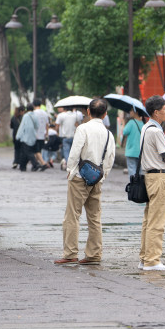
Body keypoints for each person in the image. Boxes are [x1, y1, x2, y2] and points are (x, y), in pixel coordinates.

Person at [54, 98, 116, 266]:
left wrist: (70, 171)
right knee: (95, 217)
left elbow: (74, 153)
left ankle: (70, 253)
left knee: (72, 215)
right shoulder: (108, 134)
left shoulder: (83, 128)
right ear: (105, 114)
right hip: (97, 178)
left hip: (80, 178)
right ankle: (94, 254)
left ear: (88, 111)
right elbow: (110, 157)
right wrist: (103, 176)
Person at [138, 95, 165, 271]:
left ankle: (144, 257)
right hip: (159, 176)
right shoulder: (157, 130)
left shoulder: (146, 128)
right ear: (156, 112)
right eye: (164, 108)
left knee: (148, 220)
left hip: (148, 176)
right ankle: (153, 260)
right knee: (157, 221)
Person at [15, 104, 46, 172]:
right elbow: (37, 125)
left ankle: (35, 164)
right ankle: (22, 166)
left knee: (28, 152)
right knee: (25, 152)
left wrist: (18, 136)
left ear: (27, 109)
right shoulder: (35, 116)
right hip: (33, 136)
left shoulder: (26, 116)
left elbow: (22, 126)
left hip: (26, 137)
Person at [121, 109, 145, 175]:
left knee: (132, 169)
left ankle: (133, 184)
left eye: (131, 110)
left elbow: (124, 132)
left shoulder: (131, 122)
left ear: (136, 112)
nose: (130, 112)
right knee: (139, 170)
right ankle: (139, 184)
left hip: (131, 151)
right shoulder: (143, 123)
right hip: (140, 151)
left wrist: (123, 124)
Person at [55, 106, 79, 170]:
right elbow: (79, 125)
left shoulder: (61, 115)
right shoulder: (76, 115)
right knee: (73, 152)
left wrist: (57, 132)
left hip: (65, 137)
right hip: (75, 136)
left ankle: (69, 165)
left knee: (66, 151)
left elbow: (57, 125)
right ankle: (74, 165)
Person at [32, 98, 50, 168]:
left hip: (35, 134)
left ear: (34, 105)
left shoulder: (34, 113)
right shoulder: (45, 113)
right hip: (42, 134)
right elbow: (47, 124)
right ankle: (36, 164)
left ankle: (43, 163)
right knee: (39, 150)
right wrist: (47, 133)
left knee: (36, 150)